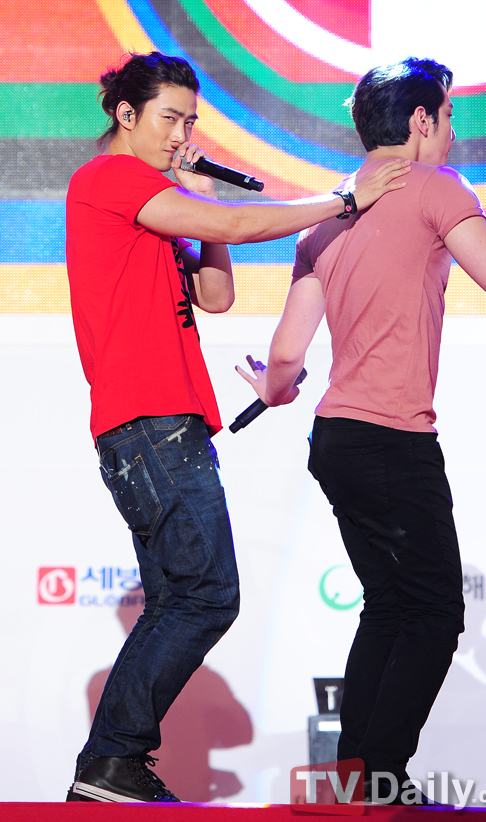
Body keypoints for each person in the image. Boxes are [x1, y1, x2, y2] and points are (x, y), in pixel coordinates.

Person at [64, 51, 410, 804]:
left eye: (190, 121)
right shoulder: (111, 178)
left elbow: (216, 293)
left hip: (161, 424)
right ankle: (111, 759)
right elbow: (241, 225)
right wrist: (342, 199)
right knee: (207, 596)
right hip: (150, 420)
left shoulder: (155, 201)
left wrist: (198, 193)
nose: (181, 134)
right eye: (169, 118)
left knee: (183, 598)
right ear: (125, 114)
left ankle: (111, 766)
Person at [237, 56, 486, 806]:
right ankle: (381, 779)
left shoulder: (326, 217)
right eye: (449, 117)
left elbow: (285, 357)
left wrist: (273, 390)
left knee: (390, 604)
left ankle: (357, 780)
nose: (453, 134)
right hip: (392, 439)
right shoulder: (437, 187)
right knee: (433, 613)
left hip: (336, 440)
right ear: (419, 120)